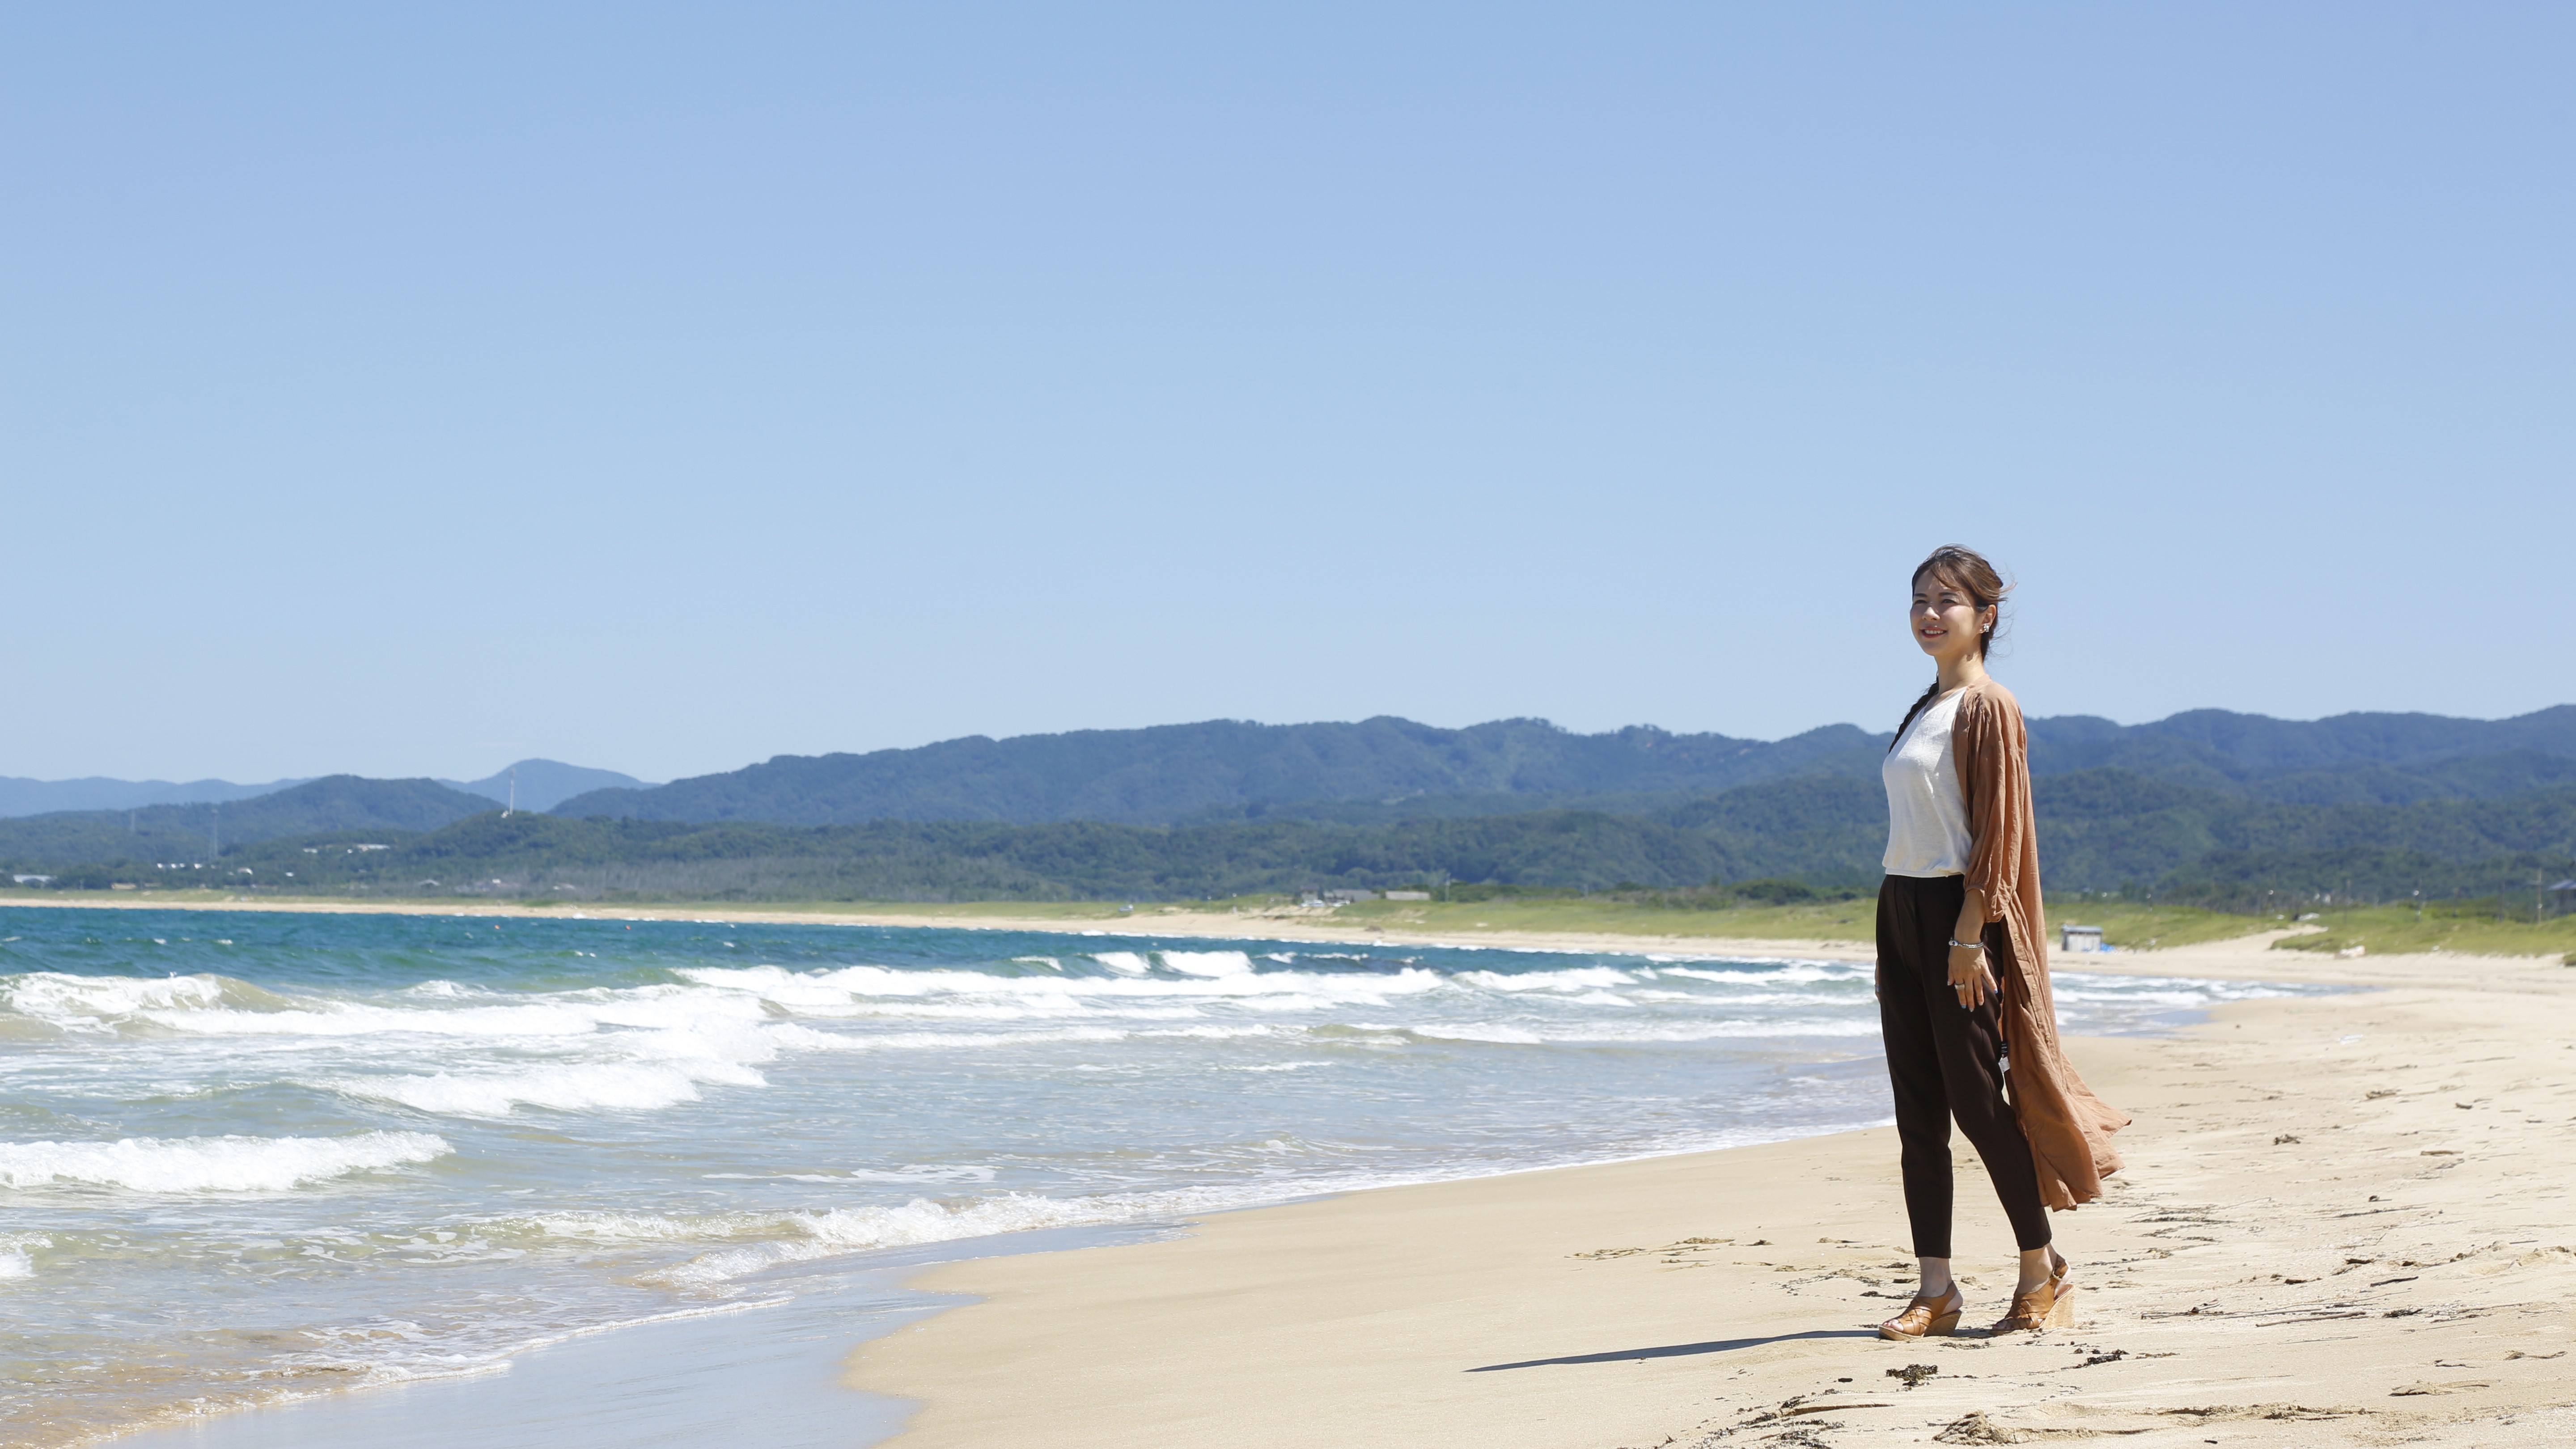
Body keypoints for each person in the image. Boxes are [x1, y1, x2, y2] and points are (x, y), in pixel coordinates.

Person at [1872, 546, 2129, 1341]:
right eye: (1918, 599)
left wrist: (1969, 934)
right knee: (1919, 1115)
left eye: (1947, 601)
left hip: (1958, 917)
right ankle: (1937, 1290)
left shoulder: (1990, 707)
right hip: (1899, 909)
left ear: (1985, 616)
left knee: (1983, 1108)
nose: (1928, 614)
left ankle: (2041, 1268)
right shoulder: (1922, 707)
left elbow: (1998, 833)